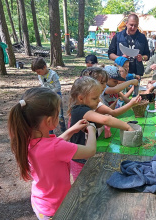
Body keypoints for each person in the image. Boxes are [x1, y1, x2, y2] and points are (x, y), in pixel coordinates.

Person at [8, 87, 97, 219]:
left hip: (40, 203)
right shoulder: (55, 148)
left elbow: (51, 149)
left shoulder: (25, 140)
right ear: (49, 121)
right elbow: (90, 151)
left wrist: (71, 130)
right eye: (57, 114)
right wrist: (92, 130)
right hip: (56, 208)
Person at [68, 76, 134, 181]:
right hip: (79, 159)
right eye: (95, 98)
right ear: (81, 98)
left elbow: (97, 123)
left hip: (87, 154)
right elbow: (105, 120)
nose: (99, 100)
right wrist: (127, 127)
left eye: (99, 97)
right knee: (81, 185)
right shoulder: (80, 110)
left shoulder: (87, 109)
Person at [108, 13, 150, 84]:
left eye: (135, 25)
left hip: (137, 71)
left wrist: (142, 58)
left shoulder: (142, 37)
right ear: (126, 23)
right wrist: (120, 58)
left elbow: (147, 55)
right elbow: (110, 54)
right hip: (120, 72)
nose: (133, 27)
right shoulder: (118, 36)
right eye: (131, 25)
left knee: (134, 94)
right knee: (121, 93)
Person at [31, 57, 66, 132]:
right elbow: (43, 85)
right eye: (36, 72)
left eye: (39, 71)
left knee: (59, 115)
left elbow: (58, 87)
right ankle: (50, 133)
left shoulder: (53, 74)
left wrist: (49, 92)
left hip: (56, 97)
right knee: (48, 115)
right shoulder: (40, 75)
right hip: (47, 97)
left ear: (44, 67)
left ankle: (63, 129)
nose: (38, 74)